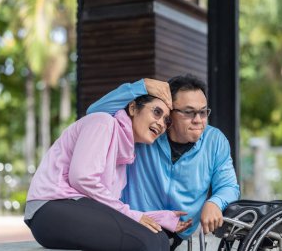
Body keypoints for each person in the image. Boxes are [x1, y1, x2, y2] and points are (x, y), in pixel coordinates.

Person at [24, 87, 192, 251]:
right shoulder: (103, 122)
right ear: (133, 108)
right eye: (157, 112)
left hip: (71, 209)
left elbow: (108, 207)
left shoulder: (124, 156)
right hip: (49, 209)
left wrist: (157, 218)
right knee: (147, 242)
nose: (161, 123)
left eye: (166, 120)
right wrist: (134, 216)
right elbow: (82, 178)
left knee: (160, 238)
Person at [87, 74, 240, 249]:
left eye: (203, 112)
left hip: (178, 230)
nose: (198, 120)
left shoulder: (215, 140)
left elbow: (229, 186)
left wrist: (215, 202)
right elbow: (95, 111)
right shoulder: (145, 133)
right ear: (170, 113)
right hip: (134, 221)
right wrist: (142, 86)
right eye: (189, 112)